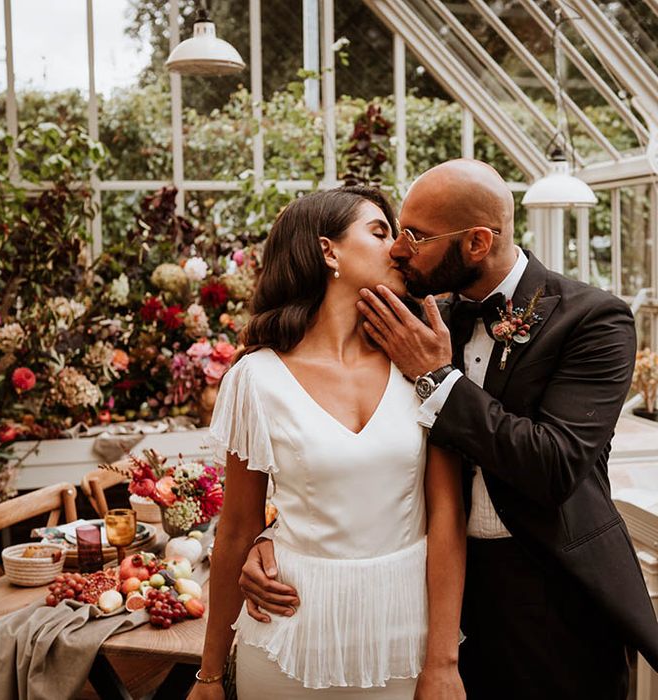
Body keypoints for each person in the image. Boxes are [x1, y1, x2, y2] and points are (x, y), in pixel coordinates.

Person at [240, 159, 658, 699]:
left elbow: (553, 467)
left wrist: (438, 378)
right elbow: (343, 447)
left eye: (415, 236)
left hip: (555, 597)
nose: (399, 249)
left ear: (478, 243)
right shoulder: (417, 317)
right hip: (441, 598)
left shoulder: (593, 320)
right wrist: (270, 538)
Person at [187, 186, 467, 700]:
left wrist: (443, 662)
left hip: (404, 635)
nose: (400, 248)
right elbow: (237, 530)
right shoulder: (255, 378)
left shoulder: (419, 363)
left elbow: (447, 513)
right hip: (288, 635)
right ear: (327, 250)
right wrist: (208, 675)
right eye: (380, 232)